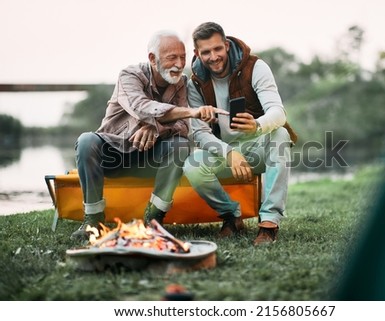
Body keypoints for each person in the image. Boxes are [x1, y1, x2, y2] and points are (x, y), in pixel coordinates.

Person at [71, 30, 225, 241]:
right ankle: (93, 220)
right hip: (115, 156)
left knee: (180, 144)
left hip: (150, 159)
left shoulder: (181, 82)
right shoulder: (129, 75)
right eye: (172, 57)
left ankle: (154, 219)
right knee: (86, 141)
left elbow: (182, 127)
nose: (179, 64)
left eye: (183, 57)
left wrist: (155, 128)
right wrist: (192, 112)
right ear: (152, 58)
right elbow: (141, 107)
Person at [183, 22, 297, 246]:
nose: (213, 56)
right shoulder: (194, 83)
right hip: (225, 152)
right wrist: (227, 153)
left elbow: (278, 112)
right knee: (192, 165)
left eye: (217, 49)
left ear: (226, 45)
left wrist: (256, 125)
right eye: (206, 52)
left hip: (258, 147)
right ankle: (231, 217)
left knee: (281, 135)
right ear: (197, 53)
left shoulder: (255, 67)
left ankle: (269, 222)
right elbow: (199, 133)